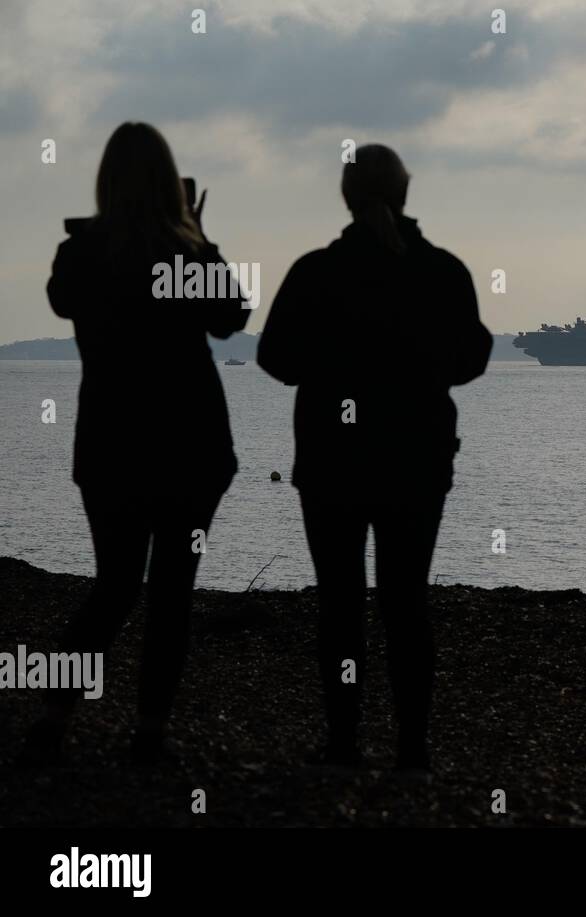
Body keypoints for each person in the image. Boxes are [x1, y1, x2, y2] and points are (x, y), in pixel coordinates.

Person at [257, 144, 491, 771]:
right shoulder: (443, 271)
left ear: (346, 196)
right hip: (416, 460)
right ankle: (412, 749)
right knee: (406, 603)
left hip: (333, 460)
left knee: (340, 605)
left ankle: (342, 742)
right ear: (406, 193)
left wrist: (333, 364)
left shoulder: (315, 271)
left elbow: (274, 357)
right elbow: (472, 358)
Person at [23, 122, 248, 766]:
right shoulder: (187, 254)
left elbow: (62, 300)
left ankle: (51, 717)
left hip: (110, 444)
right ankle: (149, 734)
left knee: (115, 585)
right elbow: (232, 319)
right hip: (191, 445)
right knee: (173, 591)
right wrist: (198, 238)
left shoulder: (82, 254)